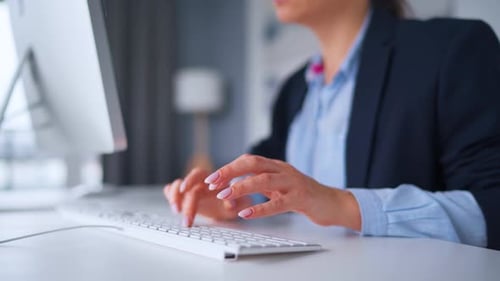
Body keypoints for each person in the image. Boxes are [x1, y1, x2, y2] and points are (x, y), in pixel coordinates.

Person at [164, 0, 500, 250]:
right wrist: (232, 201)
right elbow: (270, 182)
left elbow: (493, 208)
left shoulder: (451, 49)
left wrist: (340, 204)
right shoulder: (295, 89)